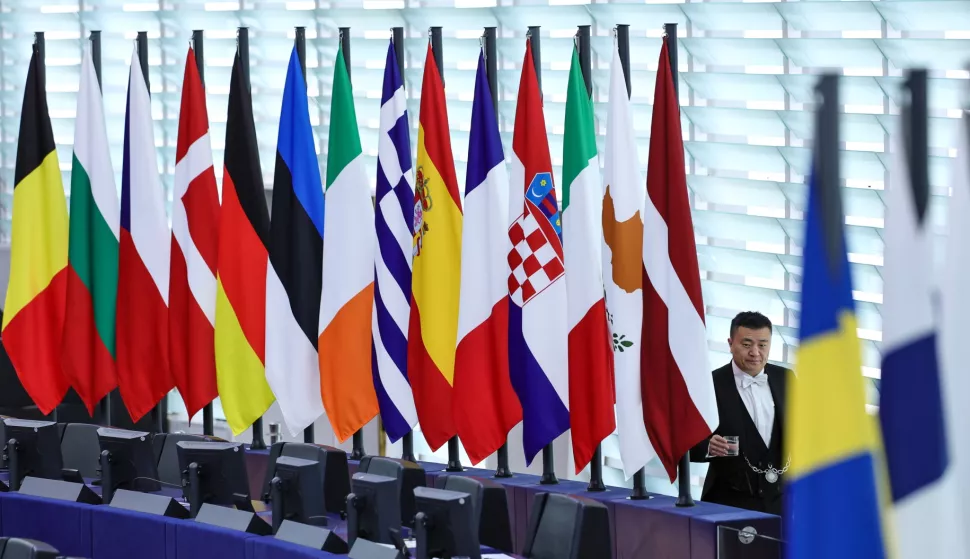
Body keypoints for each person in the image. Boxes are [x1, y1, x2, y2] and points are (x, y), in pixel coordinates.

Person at [690, 311, 791, 515]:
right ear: (730, 343)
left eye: (762, 345)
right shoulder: (709, 384)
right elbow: (683, 442)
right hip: (726, 502)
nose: (755, 352)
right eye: (746, 344)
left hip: (782, 502)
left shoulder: (786, 378)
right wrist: (707, 446)